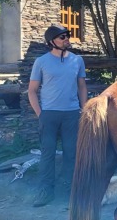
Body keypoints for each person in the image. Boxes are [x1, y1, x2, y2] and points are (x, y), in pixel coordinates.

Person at [27, 24, 87, 207]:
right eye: (62, 37)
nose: (66, 39)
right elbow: (32, 91)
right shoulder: (41, 62)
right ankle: (45, 191)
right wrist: (40, 114)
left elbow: (82, 87)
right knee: (48, 154)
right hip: (49, 115)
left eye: (67, 35)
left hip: (71, 114)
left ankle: (69, 190)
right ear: (52, 41)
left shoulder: (77, 60)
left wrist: (84, 111)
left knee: (72, 154)